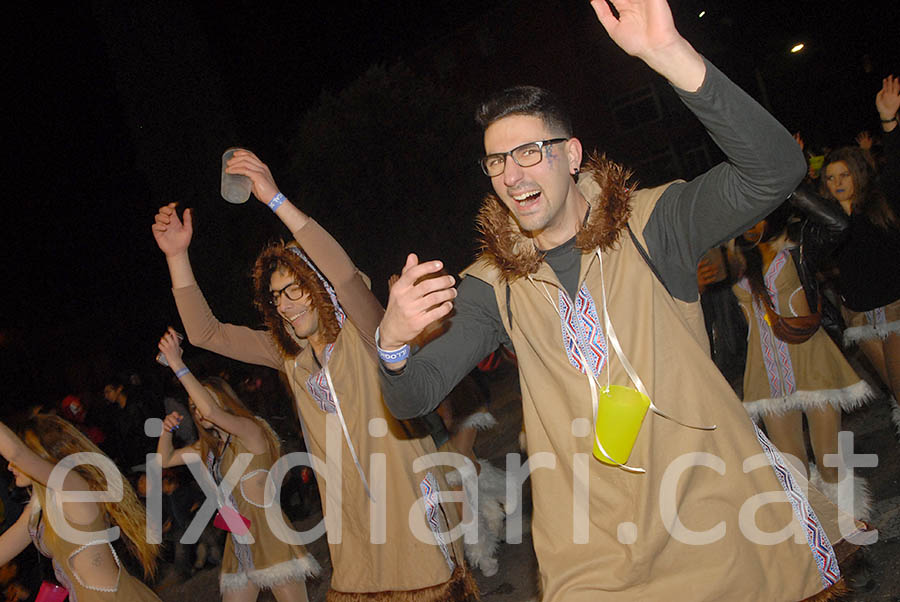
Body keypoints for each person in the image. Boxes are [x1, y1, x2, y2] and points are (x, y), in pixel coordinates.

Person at [375, 1, 855, 599]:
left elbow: (775, 169)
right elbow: (413, 393)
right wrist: (392, 345)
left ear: (571, 155)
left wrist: (669, 55)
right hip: (591, 552)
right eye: (497, 160)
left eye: (531, 151)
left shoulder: (654, 222)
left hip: (712, 514)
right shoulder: (490, 285)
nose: (513, 174)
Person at [151, 152, 477, 600]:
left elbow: (342, 273)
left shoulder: (368, 332)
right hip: (353, 521)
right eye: (275, 297)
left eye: (293, 289)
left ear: (318, 286)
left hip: (408, 498)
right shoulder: (288, 355)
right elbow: (206, 333)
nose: (284, 304)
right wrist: (177, 257)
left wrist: (274, 198)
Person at [732, 198, 874, 518]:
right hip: (766, 375)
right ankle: (825, 543)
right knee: (795, 475)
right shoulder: (728, 256)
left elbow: (838, 223)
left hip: (814, 364)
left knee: (829, 461)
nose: (749, 221)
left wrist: (788, 180)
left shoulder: (797, 245)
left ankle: (851, 526)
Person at [155, 329, 317, 601]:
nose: (198, 410)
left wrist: (178, 364)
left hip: (269, 535)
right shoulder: (210, 449)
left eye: (202, 402)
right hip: (238, 541)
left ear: (224, 400)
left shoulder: (250, 431)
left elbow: (212, 412)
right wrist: (165, 431)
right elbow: (164, 460)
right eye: (192, 407)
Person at [0, 415, 160, 601]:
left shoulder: (74, 488)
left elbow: (16, 453)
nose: (10, 467)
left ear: (40, 456)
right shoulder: (39, 505)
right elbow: (6, 546)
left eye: (18, 461)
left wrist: (18, 454)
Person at [820, 75, 900, 408]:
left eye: (844, 175)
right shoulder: (824, 221)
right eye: (830, 178)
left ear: (857, 173)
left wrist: (889, 121)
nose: (837, 183)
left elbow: (896, 167)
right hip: (859, 317)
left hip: (895, 308)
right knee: (895, 395)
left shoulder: (880, 201)